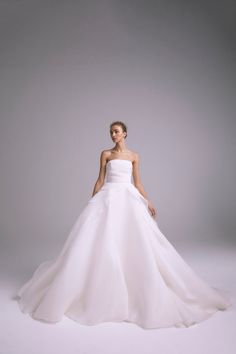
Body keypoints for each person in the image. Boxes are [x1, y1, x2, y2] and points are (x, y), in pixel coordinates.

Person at [16, 121, 232, 329]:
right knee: (100, 241)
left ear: (125, 134)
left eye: (117, 131)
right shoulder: (106, 154)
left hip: (128, 198)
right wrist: (92, 201)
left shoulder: (134, 156)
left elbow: (137, 183)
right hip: (108, 197)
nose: (113, 135)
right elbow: (100, 180)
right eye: (111, 132)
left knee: (135, 240)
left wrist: (148, 201)